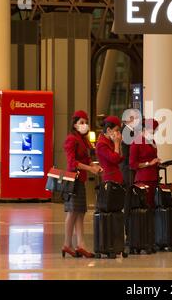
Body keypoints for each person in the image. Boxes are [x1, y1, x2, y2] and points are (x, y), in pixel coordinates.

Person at [62, 110, 103, 258]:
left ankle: (80, 244)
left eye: (86, 122)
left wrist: (93, 165)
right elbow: (73, 163)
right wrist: (90, 168)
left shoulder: (83, 140)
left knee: (80, 212)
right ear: (74, 124)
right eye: (81, 122)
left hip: (80, 180)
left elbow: (86, 159)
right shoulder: (71, 139)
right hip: (73, 180)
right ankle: (67, 244)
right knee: (73, 212)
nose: (84, 125)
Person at [129, 119, 161, 208]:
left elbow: (153, 157)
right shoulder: (137, 142)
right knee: (146, 205)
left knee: (153, 205)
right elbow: (132, 164)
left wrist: (156, 162)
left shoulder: (152, 141)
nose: (155, 132)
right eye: (154, 130)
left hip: (153, 177)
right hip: (143, 178)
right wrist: (149, 163)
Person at [96, 116, 124, 184]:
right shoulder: (101, 144)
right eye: (117, 130)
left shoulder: (111, 141)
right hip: (109, 179)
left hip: (117, 177)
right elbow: (114, 159)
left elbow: (120, 158)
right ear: (108, 130)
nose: (118, 133)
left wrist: (119, 144)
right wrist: (117, 143)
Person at [120, 109, 141, 190]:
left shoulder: (132, 131)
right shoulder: (125, 131)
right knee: (129, 190)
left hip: (130, 166)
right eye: (134, 117)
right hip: (127, 166)